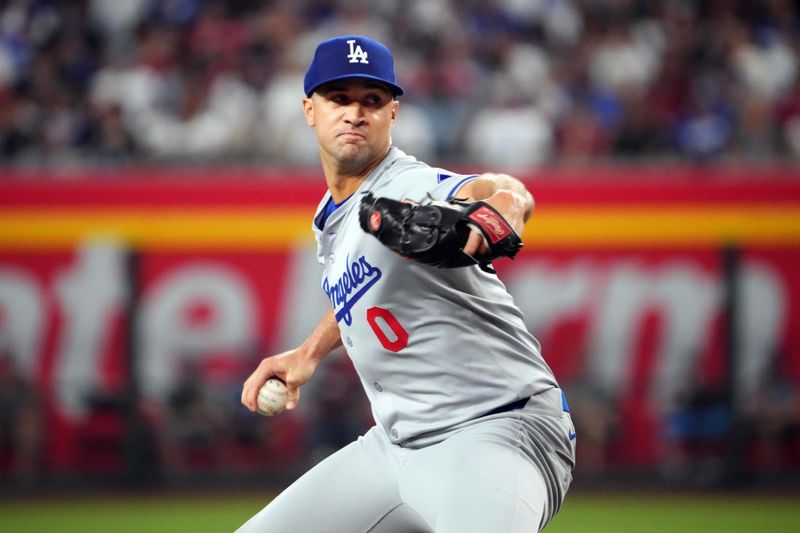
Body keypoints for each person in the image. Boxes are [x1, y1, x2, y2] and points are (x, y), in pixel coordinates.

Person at [238, 35, 575, 533]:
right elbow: (368, 289)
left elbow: (508, 193)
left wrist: (489, 222)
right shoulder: (329, 217)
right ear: (309, 109)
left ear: (392, 113)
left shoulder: (407, 187)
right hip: (393, 449)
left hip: (497, 430)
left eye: (371, 101)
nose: (355, 113)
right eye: (339, 98)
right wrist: (308, 353)